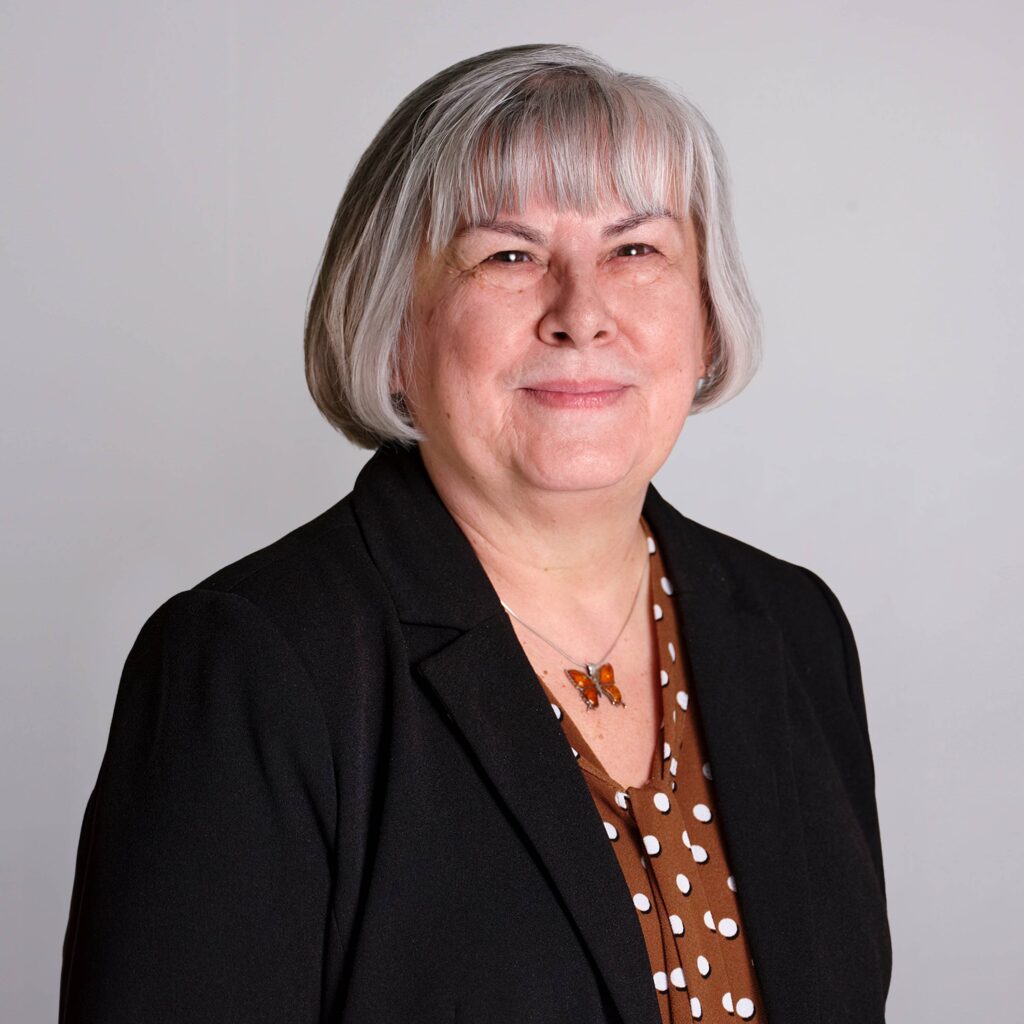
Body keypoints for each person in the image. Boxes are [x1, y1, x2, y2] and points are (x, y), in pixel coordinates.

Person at [60, 43, 891, 1024]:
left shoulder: (794, 626)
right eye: (508, 254)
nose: (582, 315)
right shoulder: (253, 665)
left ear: (705, 319)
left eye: (635, 250)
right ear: (394, 327)